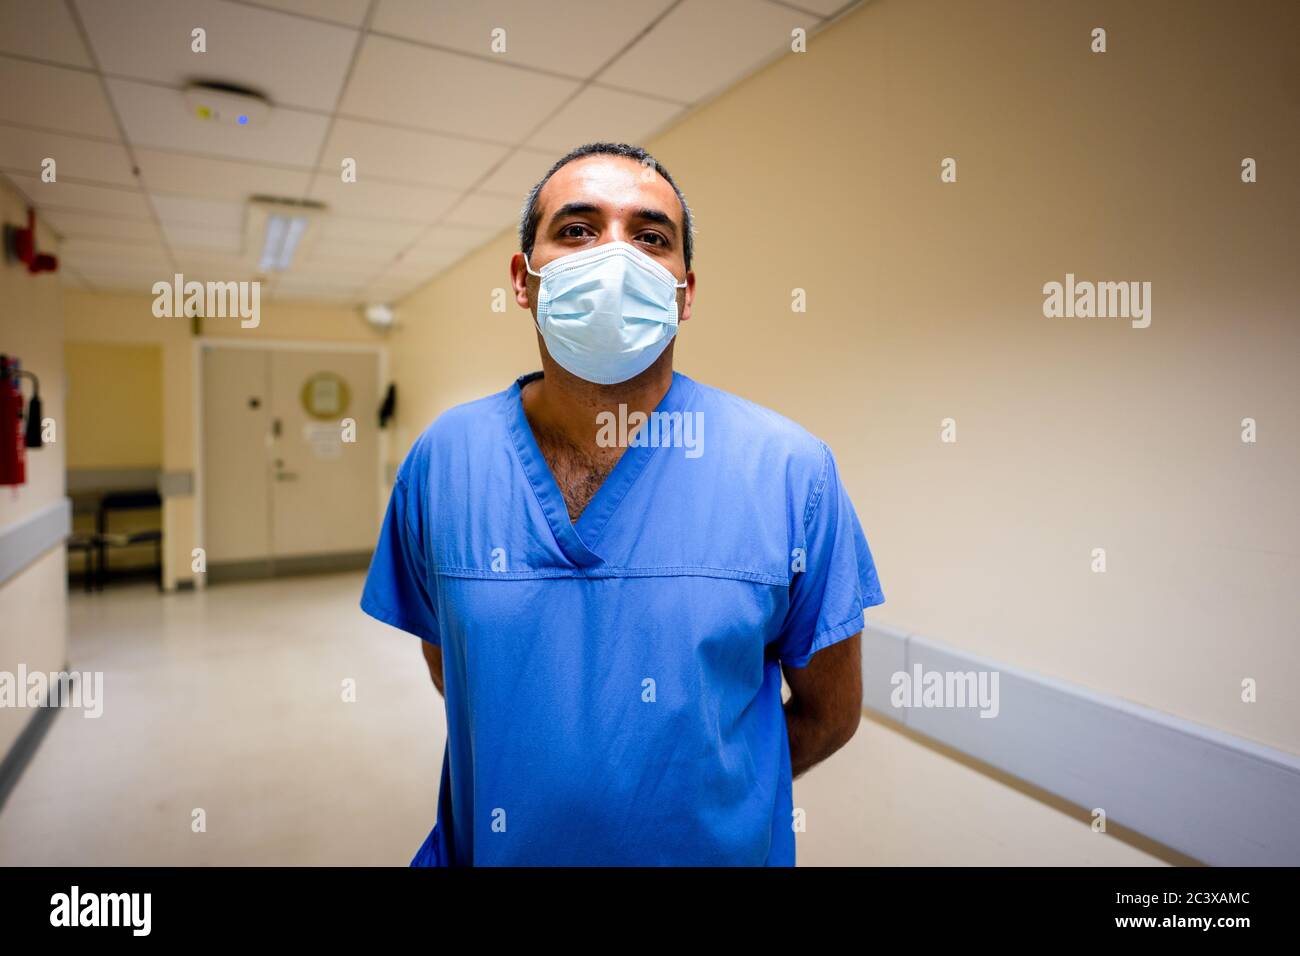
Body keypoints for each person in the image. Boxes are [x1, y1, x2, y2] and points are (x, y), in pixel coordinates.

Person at [361, 142, 884, 866]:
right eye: (577, 230)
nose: (614, 258)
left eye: (650, 237)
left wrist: (700, 800)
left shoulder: (791, 473)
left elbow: (830, 714)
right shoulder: (447, 461)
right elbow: (456, 668)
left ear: (685, 292)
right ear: (524, 279)